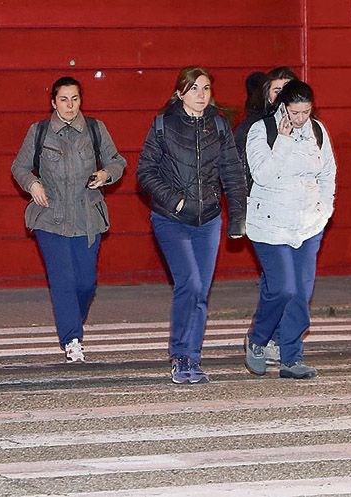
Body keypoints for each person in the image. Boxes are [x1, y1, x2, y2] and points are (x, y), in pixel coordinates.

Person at [136, 66, 248, 384]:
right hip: (171, 219)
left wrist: (237, 216)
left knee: (201, 291)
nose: (201, 94)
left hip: (209, 219)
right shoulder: (164, 124)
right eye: (195, 88)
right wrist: (176, 201)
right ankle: (180, 354)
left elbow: (232, 171)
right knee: (191, 284)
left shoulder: (218, 125)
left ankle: (193, 358)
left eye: (207, 88)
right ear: (181, 92)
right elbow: (145, 173)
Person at [10, 76, 126, 363]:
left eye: (75, 98)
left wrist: (105, 175)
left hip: (88, 217)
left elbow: (117, 162)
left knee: (86, 283)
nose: (70, 105)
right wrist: (33, 184)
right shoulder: (39, 132)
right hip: (51, 218)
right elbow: (20, 167)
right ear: (53, 102)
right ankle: (72, 339)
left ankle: (72, 319)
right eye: (64, 99)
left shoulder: (96, 130)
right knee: (62, 280)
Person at [241, 80, 337, 380]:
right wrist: (281, 141)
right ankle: (257, 340)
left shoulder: (317, 131)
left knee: (301, 293)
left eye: (305, 112)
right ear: (283, 106)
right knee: (283, 288)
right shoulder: (262, 130)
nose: (299, 119)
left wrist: (325, 208)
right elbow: (263, 174)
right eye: (295, 112)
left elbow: (328, 173)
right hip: (270, 224)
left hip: (307, 224)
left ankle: (291, 357)